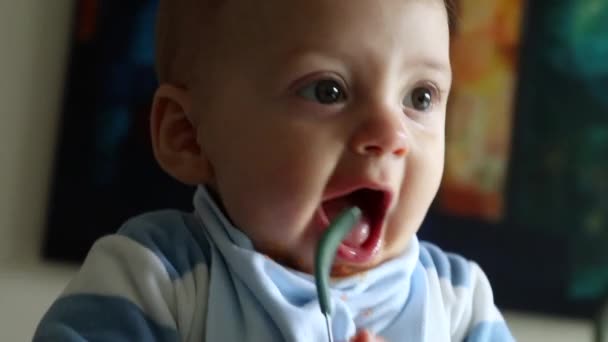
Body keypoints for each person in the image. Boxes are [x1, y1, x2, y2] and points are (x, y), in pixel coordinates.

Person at [35, 0, 514, 341]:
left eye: (420, 98)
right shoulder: (158, 278)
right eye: (328, 90)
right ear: (188, 135)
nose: (391, 135)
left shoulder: (457, 305)